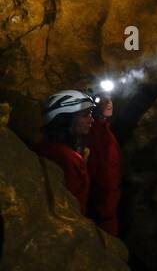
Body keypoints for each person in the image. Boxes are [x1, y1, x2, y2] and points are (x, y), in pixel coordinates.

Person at [33, 90, 95, 215]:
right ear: (65, 119)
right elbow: (75, 204)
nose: (91, 120)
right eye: (85, 115)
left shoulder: (42, 147)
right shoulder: (66, 157)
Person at [86, 93, 122, 236]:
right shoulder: (93, 132)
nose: (109, 103)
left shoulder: (106, 131)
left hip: (108, 206)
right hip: (100, 209)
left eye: (110, 99)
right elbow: (99, 171)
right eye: (102, 100)